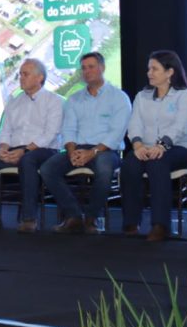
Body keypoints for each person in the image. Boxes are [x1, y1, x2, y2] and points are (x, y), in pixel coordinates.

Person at [40, 52, 131, 234]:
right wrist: (72, 151)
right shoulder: (74, 99)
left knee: (104, 168)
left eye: (91, 67)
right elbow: (68, 129)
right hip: (78, 149)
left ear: (102, 68)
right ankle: (73, 216)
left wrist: (92, 152)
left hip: (105, 150)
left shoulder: (119, 97)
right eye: (83, 68)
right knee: (47, 169)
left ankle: (91, 218)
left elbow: (116, 133)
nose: (86, 71)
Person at [0, 59, 63, 233]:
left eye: (25, 74)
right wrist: (3, 148)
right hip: (15, 149)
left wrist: (24, 150)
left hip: (44, 150)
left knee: (27, 160)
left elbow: (50, 134)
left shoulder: (53, 100)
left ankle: (29, 219)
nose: (21, 77)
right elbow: (6, 130)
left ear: (40, 78)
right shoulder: (14, 101)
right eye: (20, 74)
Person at [119, 51, 187, 242]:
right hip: (145, 147)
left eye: (154, 69)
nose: (149, 73)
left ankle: (161, 225)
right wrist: (137, 145)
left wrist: (162, 146)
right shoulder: (142, 96)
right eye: (149, 69)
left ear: (170, 72)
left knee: (157, 163)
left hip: (180, 148)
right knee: (129, 163)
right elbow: (134, 123)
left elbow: (181, 125)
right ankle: (131, 222)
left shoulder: (184, 95)